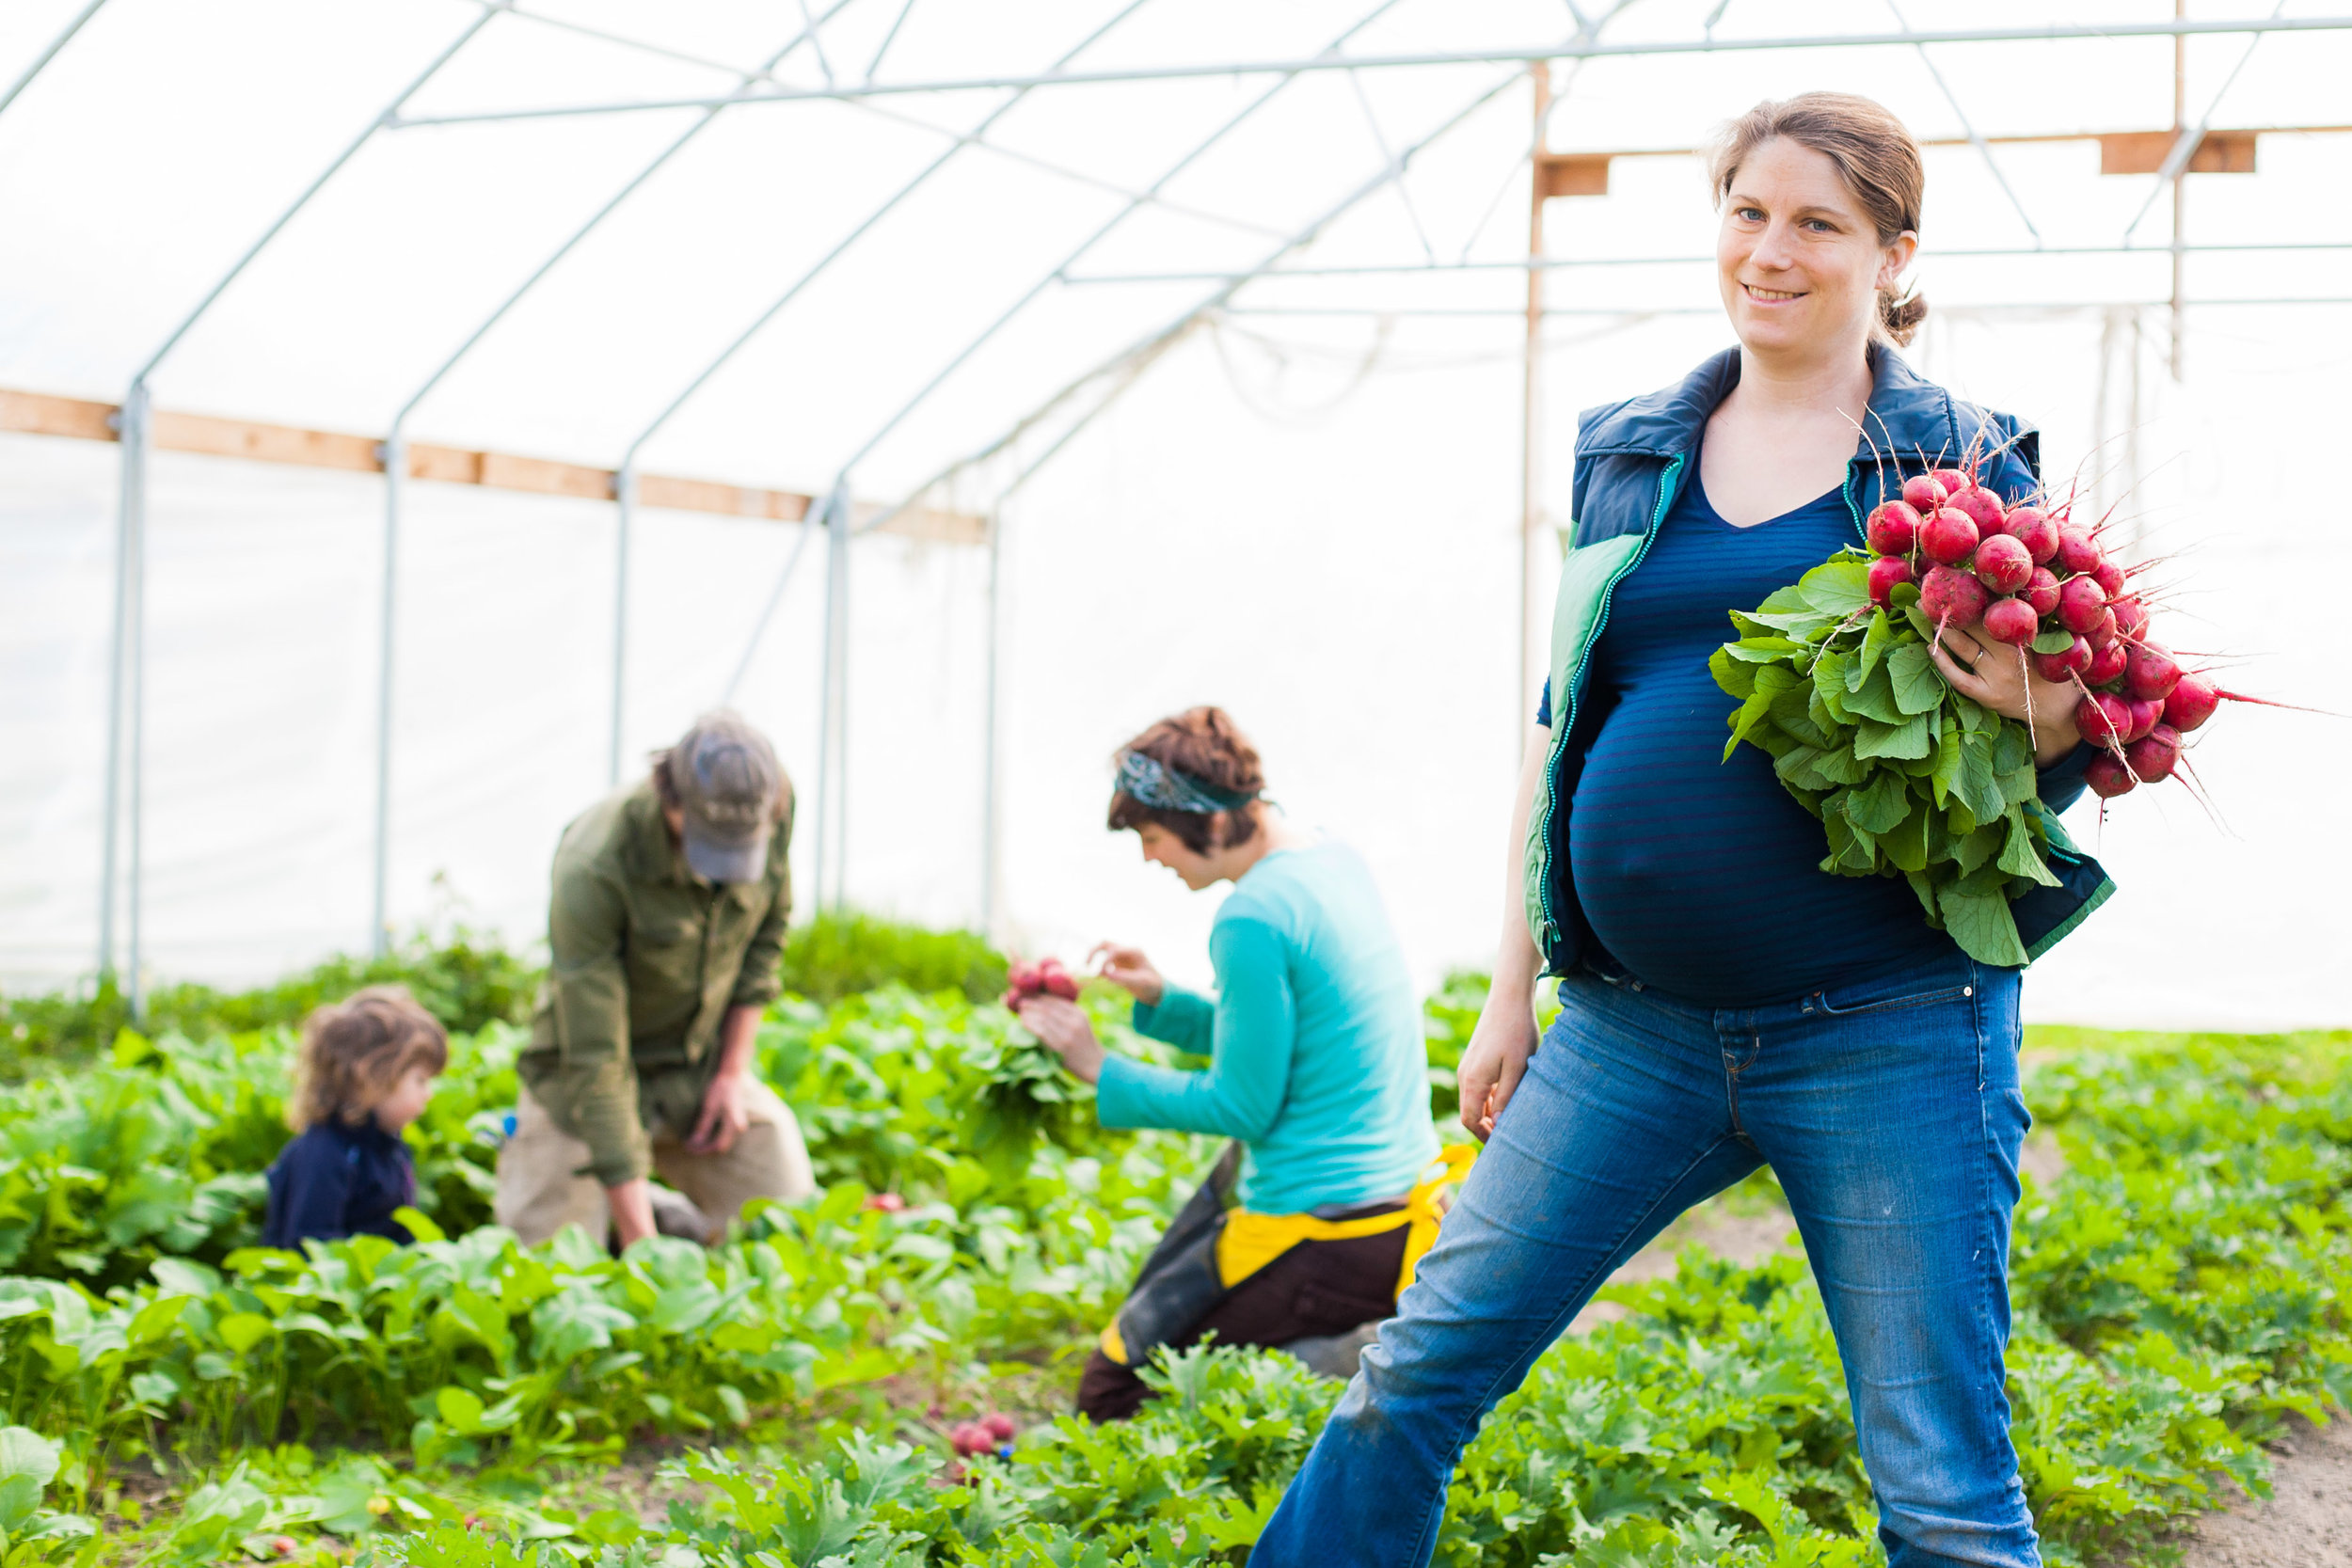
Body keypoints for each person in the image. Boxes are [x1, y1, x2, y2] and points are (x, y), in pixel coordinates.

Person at [1250, 94, 2113, 1568]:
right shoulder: (1630, 447)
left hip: (1889, 1030)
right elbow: (1560, 723)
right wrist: (1511, 988)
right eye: (1746, 211)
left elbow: (2058, 741)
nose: (1769, 251)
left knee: (1941, 1489)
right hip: (1628, 1029)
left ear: (1893, 250)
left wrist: (2048, 717)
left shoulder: (1960, 461)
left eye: (1817, 223)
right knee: (1410, 1378)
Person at [1013, 706, 1463, 1423]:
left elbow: (1242, 1106)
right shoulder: (1328, 859)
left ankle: (1335, 1362)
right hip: (1397, 1205)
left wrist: (1097, 1065)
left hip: (1330, 1228)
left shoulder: (1251, 914)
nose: (1150, 857)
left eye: (1153, 836)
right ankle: (1322, 1353)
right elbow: (1296, 1036)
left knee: (1114, 1391)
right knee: (1166, 1286)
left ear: (1213, 825)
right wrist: (1163, 1000)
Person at [495, 711, 815, 1250]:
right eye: (710, 843)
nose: (723, 870)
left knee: (790, 1215)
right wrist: (643, 1248)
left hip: (694, 1069)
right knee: (551, 1268)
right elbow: (597, 1058)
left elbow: (765, 941)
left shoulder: (772, 803)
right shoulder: (596, 862)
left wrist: (732, 1073)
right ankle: (640, 1214)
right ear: (670, 796)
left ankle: (658, 1209)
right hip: (578, 1086)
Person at [262, 986, 447, 1250]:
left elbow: (404, 1232)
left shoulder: (390, 1147)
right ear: (371, 1076)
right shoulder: (324, 1154)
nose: (428, 1094)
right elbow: (310, 1247)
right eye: (420, 1080)